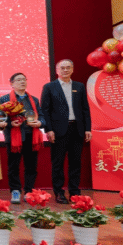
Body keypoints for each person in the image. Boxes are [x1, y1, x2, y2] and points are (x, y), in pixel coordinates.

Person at [41, 59, 92, 204]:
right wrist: (49, 129)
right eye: (62, 68)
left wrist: (87, 128)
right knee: (58, 163)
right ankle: (59, 192)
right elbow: (45, 110)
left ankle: (75, 192)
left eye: (68, 67)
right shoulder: (49, 87)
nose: (65, 70)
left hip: (77, 129)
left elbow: (85, 109)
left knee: (75, 163)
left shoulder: (79, 86)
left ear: (72, 69)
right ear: (57, 70)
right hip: (58, 131)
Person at [0, 73, 46, 204]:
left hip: (31, 137)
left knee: (31, 167)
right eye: (18, 80)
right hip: (14, 138)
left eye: (24, 79)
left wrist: (39, 123)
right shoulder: (3, 99)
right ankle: (15, 191)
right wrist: (10, 123)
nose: (22, 82)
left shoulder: (34, 99)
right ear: (12, 84)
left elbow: (41, 116)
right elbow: (0, 119)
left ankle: (29, 191)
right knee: (14, 167)